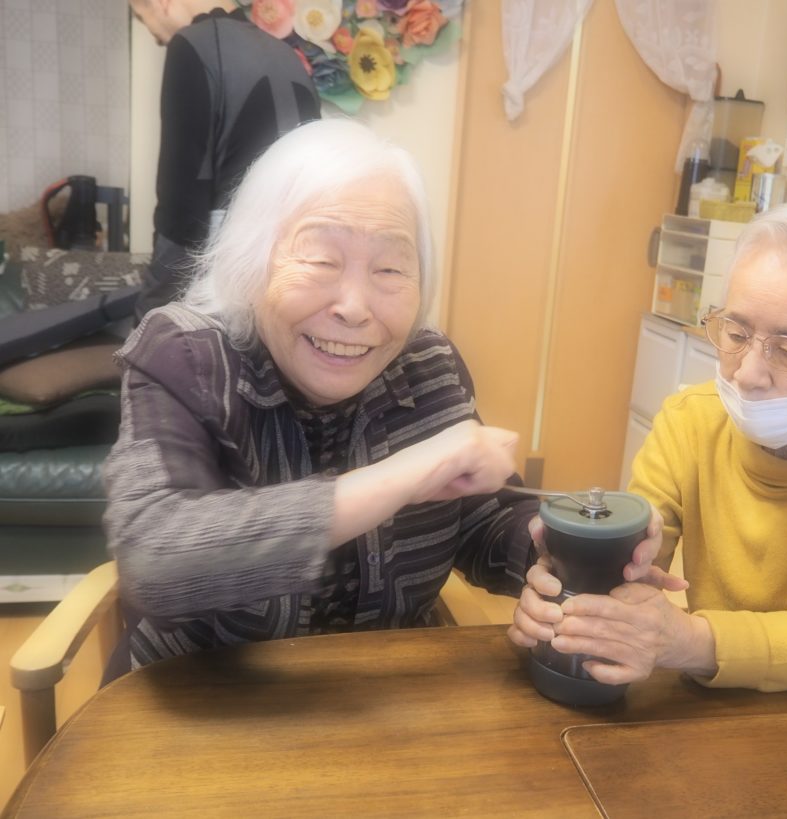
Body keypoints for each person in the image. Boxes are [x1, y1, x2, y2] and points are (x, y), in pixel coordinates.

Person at [102, 118, 660, 675]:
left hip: (385, 694)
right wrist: (404, 476)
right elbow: (154, 561)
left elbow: (481, 518)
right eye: (321, 260)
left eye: (390, 268)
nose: (354, 307)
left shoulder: (427, 364)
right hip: (201, 699)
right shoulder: (186, 355)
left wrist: (560, 543)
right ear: (252, 260)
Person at [509, 200, 787, 692]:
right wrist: (569, 585)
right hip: (717, 697)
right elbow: (636, 569)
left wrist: (686, 640)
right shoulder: (690, 421)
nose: (746, 374)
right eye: (736, 332)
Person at [129, 0, 321, 321]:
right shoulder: (290, 57)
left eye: (141, 17)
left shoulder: (193, 43)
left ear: (162, 3)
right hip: (289, 287)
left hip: (224, 294)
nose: (154, 36)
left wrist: (149, 317)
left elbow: (181, 211)